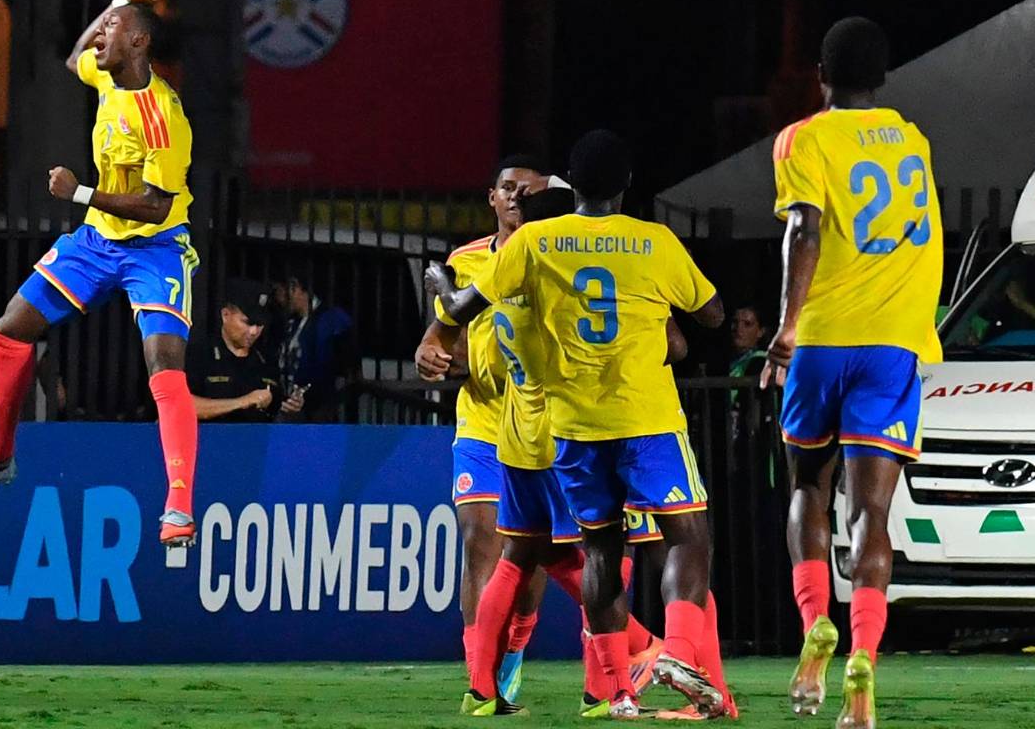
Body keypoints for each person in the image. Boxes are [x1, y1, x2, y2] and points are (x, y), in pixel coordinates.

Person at [429, 130, 729, 718]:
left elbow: (462, 309)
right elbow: (706, 321)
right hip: (636, 418)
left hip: (551, 430)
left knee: (559, 555)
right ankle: (672, 657)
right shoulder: (652, 240)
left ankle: (575, 688)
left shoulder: (531, 248)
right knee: (684, 540)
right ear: (626, 185)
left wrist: (442, 291)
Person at [0, 0, 204, 548]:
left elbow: (155, 207)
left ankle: (178, 505)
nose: (102, 34)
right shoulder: (105, 72)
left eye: (115, 29)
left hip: (155, 246)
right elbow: (74, 56)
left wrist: (79, 195)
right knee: (12, 327)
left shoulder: (165, 117)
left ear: (140, 45)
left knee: (164, 364)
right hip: (98, 240)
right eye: (103, 25)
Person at [760, 17, 943, 728]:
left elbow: (804, 229)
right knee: (874, 513)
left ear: (821, 74)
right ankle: (863, 669)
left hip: (824, 339)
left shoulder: (804, 138)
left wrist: (786, 327)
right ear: (885, 76)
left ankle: (816, 629)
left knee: (809, 485)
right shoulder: (913, 137)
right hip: (894, 343)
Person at [413, 155, 551, 711]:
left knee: (533, 554)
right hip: (483, 422)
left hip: (542, 424)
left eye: (527, 191)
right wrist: (429, 354)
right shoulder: (464, 261)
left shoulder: (553, 256)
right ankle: (479, 677)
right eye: (507, 189)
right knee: (478, 540)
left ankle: (512, 656)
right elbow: (439, 337)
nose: (516, 197)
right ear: (491, 197)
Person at [186, 281, 304, 422]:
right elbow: (180, 405)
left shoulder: (265, 361)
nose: (254, 331)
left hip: (255, 441)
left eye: (259, 324)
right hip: (210, 440)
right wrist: (242, 402)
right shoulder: (199, 354)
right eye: (247, 323)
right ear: (225, 315)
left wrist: (289, 404)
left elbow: (276, 403)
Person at [278, 275, 355, 421]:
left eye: (280, 292)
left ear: (294, 288)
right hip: (294, 404)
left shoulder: (331, 320)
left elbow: (346, 363)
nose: (279, 299)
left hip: (318, 406)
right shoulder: (292, 322)